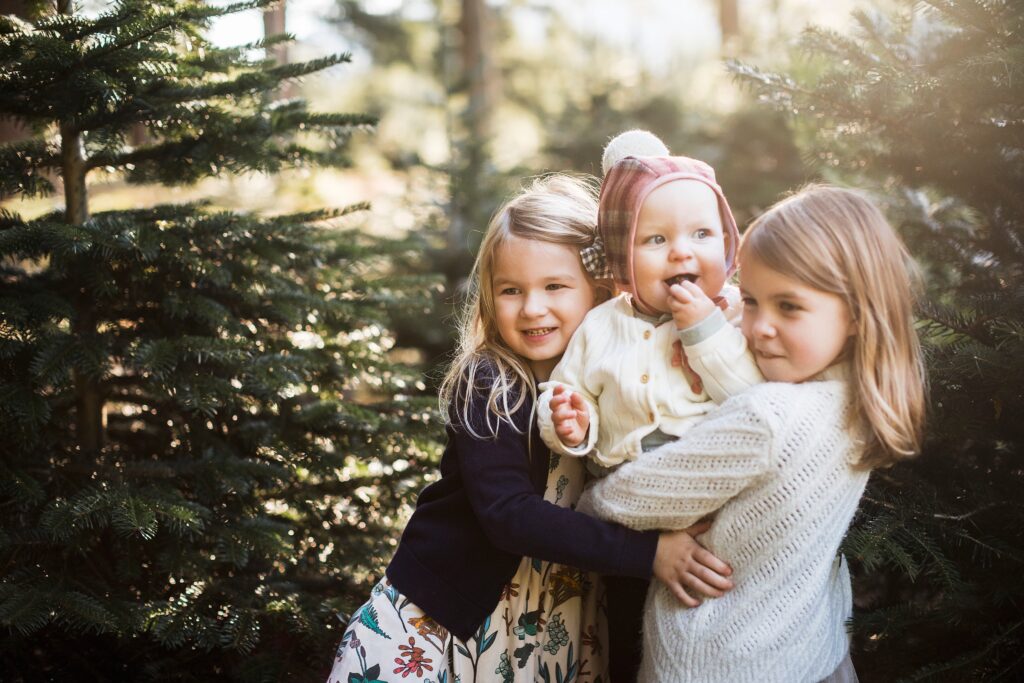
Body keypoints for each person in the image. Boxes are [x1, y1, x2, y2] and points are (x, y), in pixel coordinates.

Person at [325, 174, 733, 683]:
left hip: (553, 626)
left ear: (604, 288)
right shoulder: (489, 381)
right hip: (444, 626)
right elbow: (508, 515)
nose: (532, 308)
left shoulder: (620, 384)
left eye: (555, 287)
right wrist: (649, 554)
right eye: (511, 290)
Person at [579, 184, 928, 683]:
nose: (757, 327)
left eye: (789, 307)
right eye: (751, 301)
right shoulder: (864, 399)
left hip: (717, 663)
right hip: (815, 652)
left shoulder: (767, 418)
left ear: (856, 312)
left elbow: (614, 505)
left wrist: (594, 492)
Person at [536, 130, 764, 680]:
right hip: (629, 530)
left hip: (716, 523)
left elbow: (753, 400)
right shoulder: (601, 325)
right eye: (656, 240)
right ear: (621, 258)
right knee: (630, 648)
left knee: (712, 638)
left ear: (728, 247)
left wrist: (703, 330)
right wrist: (569, 423)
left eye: (702, 234)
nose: (683, 251)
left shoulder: (730, 315)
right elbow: (563, 394)